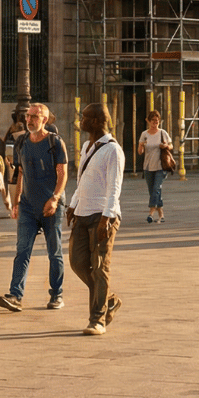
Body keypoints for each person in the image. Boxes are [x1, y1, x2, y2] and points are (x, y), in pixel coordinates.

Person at [0, 102, 67, 314]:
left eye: (34, 116)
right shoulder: (22, 142)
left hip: (50, 206)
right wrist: (16, 202)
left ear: (44, 119)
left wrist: (55, 198)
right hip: (28, 206)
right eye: (28, 116)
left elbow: (63, 174)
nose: (29, 120)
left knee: (54, 252)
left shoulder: (55, 142)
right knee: (22, 251)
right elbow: (20, 174)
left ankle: (57, 294)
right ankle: (15, 296)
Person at [68, 102, 124, 336]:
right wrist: (73, 204)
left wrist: (106, 218)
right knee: (77, 262)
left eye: (84, 117)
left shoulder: (113, 150)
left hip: (102, 215)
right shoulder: (87, 147)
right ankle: (109, 299)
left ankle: (97, 319)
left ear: (95, 121)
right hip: (82, 213)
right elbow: (83, 179)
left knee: (100, 267)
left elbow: (114, 187)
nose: (80, 121)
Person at [134, 110, 172, 223]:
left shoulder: (162, 133)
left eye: (157, 121)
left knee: (156, 188)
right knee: (153, 191)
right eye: (153, 121)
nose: (155, 123)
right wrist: (141, 145)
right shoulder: (144, 134)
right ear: (149, 121)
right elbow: (140, 152)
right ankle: (161, 214)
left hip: (161, 166)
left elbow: (171, 146)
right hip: (148, 166)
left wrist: (165, 146)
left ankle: (151, 213)